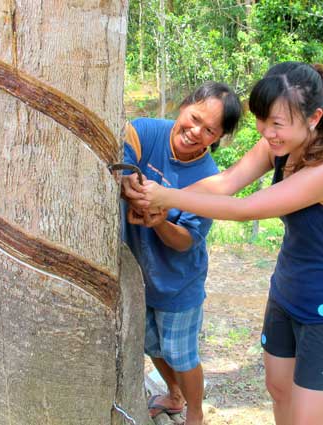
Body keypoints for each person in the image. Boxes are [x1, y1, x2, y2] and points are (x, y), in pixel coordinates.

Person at [131, 62, 323, 425]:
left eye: (277, 123)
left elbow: (245, 209)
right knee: (278, 391)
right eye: (262, 120)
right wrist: (158, 199)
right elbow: (224, 183)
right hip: (286, 296)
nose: (266, 132)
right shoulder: (280, 147)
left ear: (314, 117)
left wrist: (167, 198)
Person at [119, 82, 242, 425]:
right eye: (194, 118)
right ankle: (174, 396)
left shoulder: (210, 179)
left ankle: (196, 414)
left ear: (217, 138)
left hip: (178, 282)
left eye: (209, 130)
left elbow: (187, 239)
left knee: (181, 353)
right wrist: (128, 181)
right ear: (184, 105)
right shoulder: (145, 131)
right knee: (149, 342)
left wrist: (158, 222)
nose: (195, 132)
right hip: (137, 272)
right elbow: (124, 151)